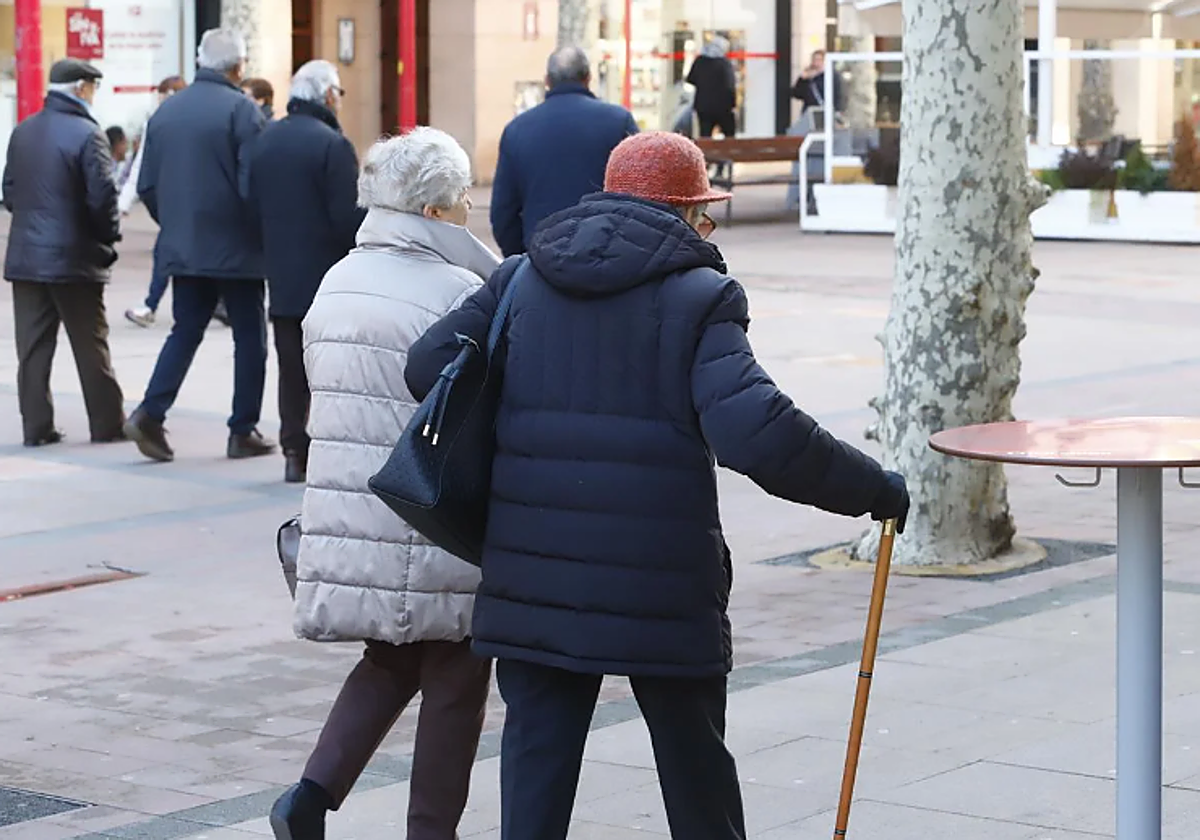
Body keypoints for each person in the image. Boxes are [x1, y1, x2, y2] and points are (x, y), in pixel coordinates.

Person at [405, 131, 910, 840]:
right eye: (703, 213)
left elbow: (427, 366)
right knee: (694, 769)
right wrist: (872, 489)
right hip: (660, 584)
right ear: (680, 212)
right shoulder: (701, 296)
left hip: (533, 571)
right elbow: (756, 431)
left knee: (535, 778)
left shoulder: (521, 276)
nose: (706, 228)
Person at [269, 127, 499, 840]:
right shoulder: (457, 290)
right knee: (457, 673)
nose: (470, 208)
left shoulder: (337, 281)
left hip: (356, 508)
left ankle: (307, 798)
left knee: (391, 656)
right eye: (464, 197)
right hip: (435, 513)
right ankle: (431, 832)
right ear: (434, 211)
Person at [123, 28, 272, 463]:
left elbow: (148, 185)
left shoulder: (166, 113)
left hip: (184, 244)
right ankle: (242, 429)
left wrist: (175, 223)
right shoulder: (244, 111)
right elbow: (254, 184)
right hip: (236, 247)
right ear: (238, 66)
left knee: (185, 329)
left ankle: (151, 411)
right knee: (250, 336)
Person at [249, 60, 364, 483]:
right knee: (330, 369)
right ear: (327, 95)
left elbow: (250, 206)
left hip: (281, 276)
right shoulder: (332, 145)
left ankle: (294, 451)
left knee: (290, 370)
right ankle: (328, 449)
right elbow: (345, 219)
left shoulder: (265, 140)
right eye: (338, 92)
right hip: (327, 280)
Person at [3, 58, 125, 447]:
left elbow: (9, 192)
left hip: (26, 258)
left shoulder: (23, 131)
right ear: (81, 88)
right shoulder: (89, 134)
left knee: (33, 349)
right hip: (74, 259)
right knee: (90, 345)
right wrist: (107, 240)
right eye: (93, 87)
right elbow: (102, 199)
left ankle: (36, 427)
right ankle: (106, 424)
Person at [489, 45, 637, 257]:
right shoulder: (618, 121)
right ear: (588, 78)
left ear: (547, 81)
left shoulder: (517, 129)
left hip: (541, 258)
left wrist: (523, 258)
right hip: (607, 256)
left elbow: (503, 212)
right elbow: (640, 196)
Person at [122, 75, 186, 329]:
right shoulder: (159, 122)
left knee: (168, 251)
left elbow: (141, 168)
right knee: (169, 251)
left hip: (180, 200)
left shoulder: (163, 121)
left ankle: (150, 304)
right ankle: (150, 304)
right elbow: (141, 166)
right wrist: (123, 203)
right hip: (179, 200)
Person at [686, 35, 738, 138]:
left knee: (705, 136)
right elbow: (730, 85)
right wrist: (733, 104)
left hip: (703, 106)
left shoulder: (700, 61)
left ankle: (705, 154)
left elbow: (690, 79)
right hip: (724, 107)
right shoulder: (724, 63)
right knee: (729, 137)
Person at [792, 49, 844, 117]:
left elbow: (839, 93)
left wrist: (837, 110)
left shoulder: (832, 75)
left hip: (825, 111)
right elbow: (797, 94)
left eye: (819, 60)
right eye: (814, 60)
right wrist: (802, 80)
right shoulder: (808, 75)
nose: (816, 63)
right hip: (809, 111)